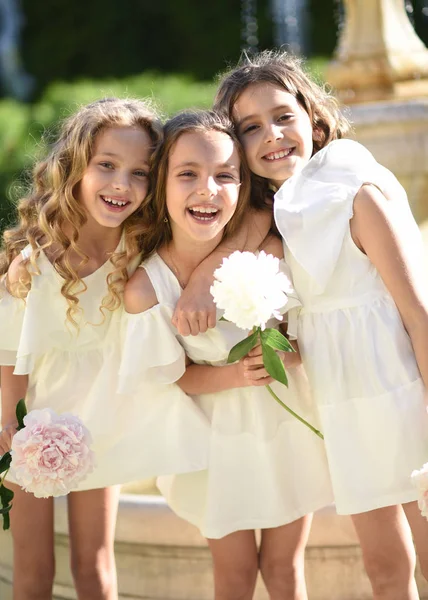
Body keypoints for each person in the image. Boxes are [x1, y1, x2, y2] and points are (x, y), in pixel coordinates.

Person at [176, 50, 428, 600]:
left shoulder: (357, 195)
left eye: (283, 117)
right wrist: (198, 285)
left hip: (401, 387)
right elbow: (244, 241)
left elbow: (418, 312)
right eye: (251, 127)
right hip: (339, 401)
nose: (272, 135)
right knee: (385, 564)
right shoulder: (280, 213)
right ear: (237, 146)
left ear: (312, 119)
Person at [0, 97, 209, 600]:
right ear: (75, 169)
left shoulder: (140, 248)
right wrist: (8, 425)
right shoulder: (35, 259)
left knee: (95, 566)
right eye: (107, 166)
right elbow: (9, 356)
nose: (122, 185)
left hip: (100, 422)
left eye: (140, 173)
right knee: (32, 571)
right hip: (32, 423)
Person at [122, 109, 333, 600]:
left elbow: (302, 333)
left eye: (225, 176)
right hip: (215, 445)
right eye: (188, 175)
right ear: (160, 184)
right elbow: (173, 377)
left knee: (284, 568)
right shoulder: (148, 290)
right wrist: (236, 374)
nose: (207, 189)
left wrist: (288, 353)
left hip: (283, 427)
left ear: (242, 186)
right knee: (234, 576)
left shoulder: (268, 249)